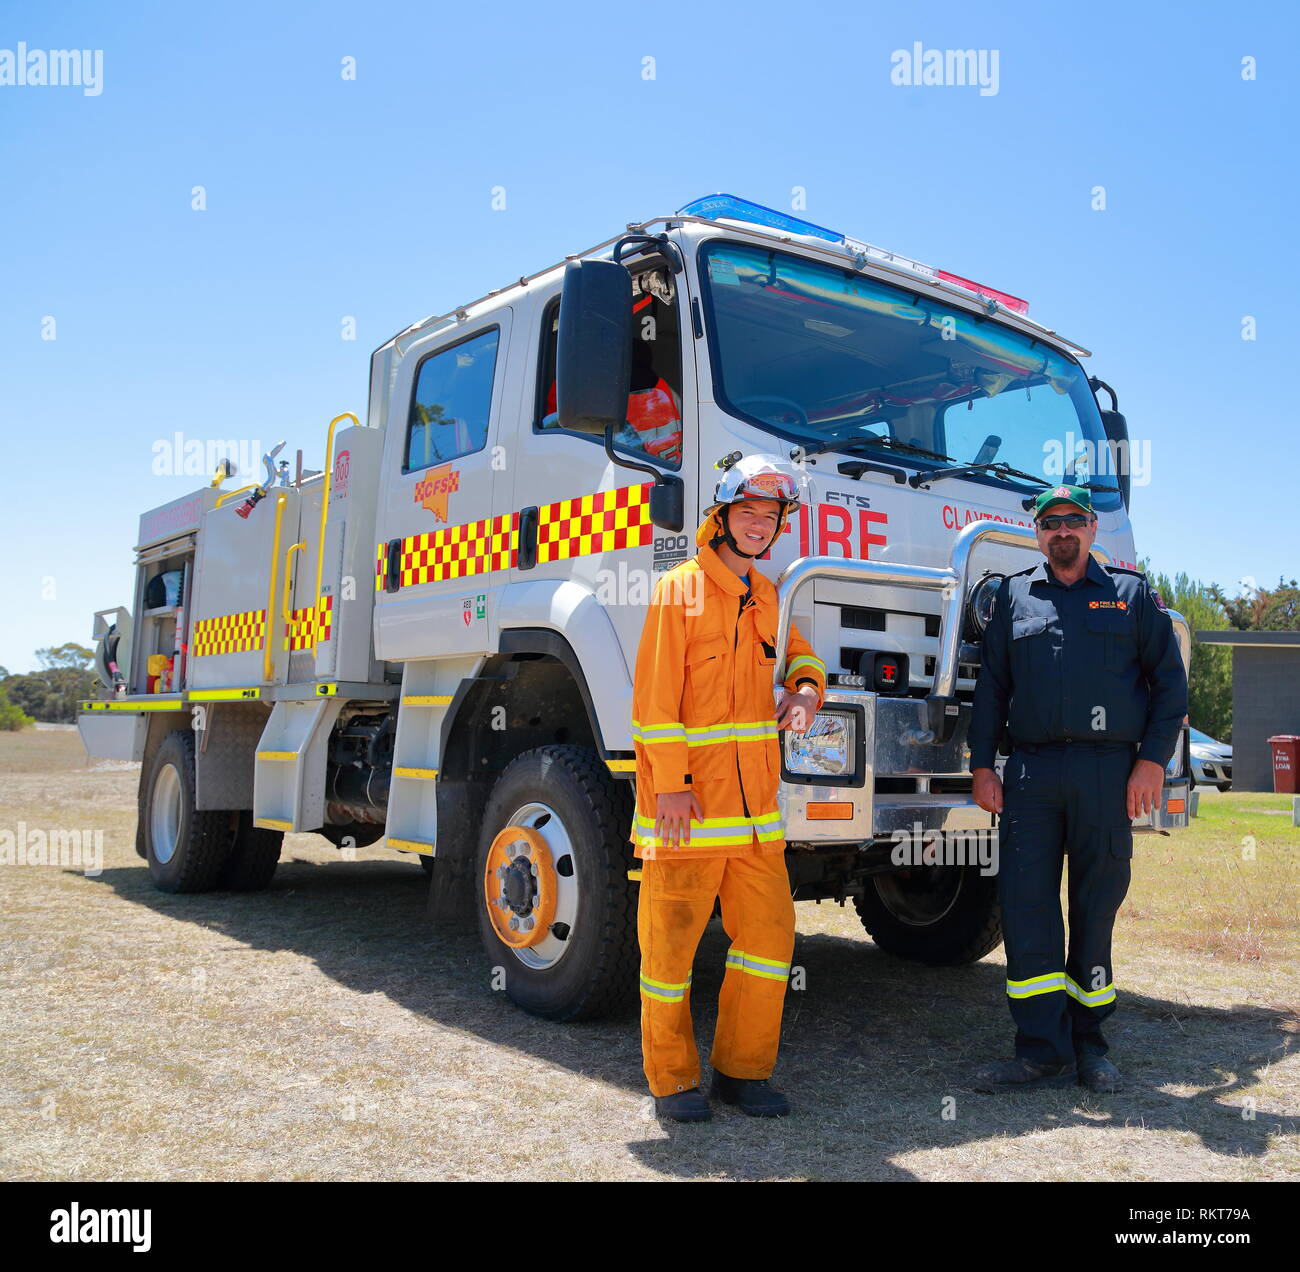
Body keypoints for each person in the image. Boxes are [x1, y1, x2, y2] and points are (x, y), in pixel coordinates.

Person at [968, 484, 1187, 1094]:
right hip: (1032, 774)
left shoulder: (1131, 596)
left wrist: (1151, 763)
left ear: (1092, 529)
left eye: (1073, 521)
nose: (1062, 531)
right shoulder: (1015, 595)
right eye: (1050, 522)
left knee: (1095, 909)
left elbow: (1169, 687)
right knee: (1027, 907)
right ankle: (1040, 1051)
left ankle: (1090, 1044)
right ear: (1037, 532)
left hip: (1108, 776)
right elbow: (992, 690)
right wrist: (983, 765)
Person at [630, 453, 827, 1122]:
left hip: (754, 821)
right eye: (747, 513)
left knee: (771, 941)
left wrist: (806, 691)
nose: (758, 525)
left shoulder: (770, 597)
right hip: (687, 812)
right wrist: (675, 786)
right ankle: (674, 1081)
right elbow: (654, 704)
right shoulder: (678, 590)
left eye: (769, 518)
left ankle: (743, 1073)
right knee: (669, 950)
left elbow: (801, 654)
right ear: (720, 516)